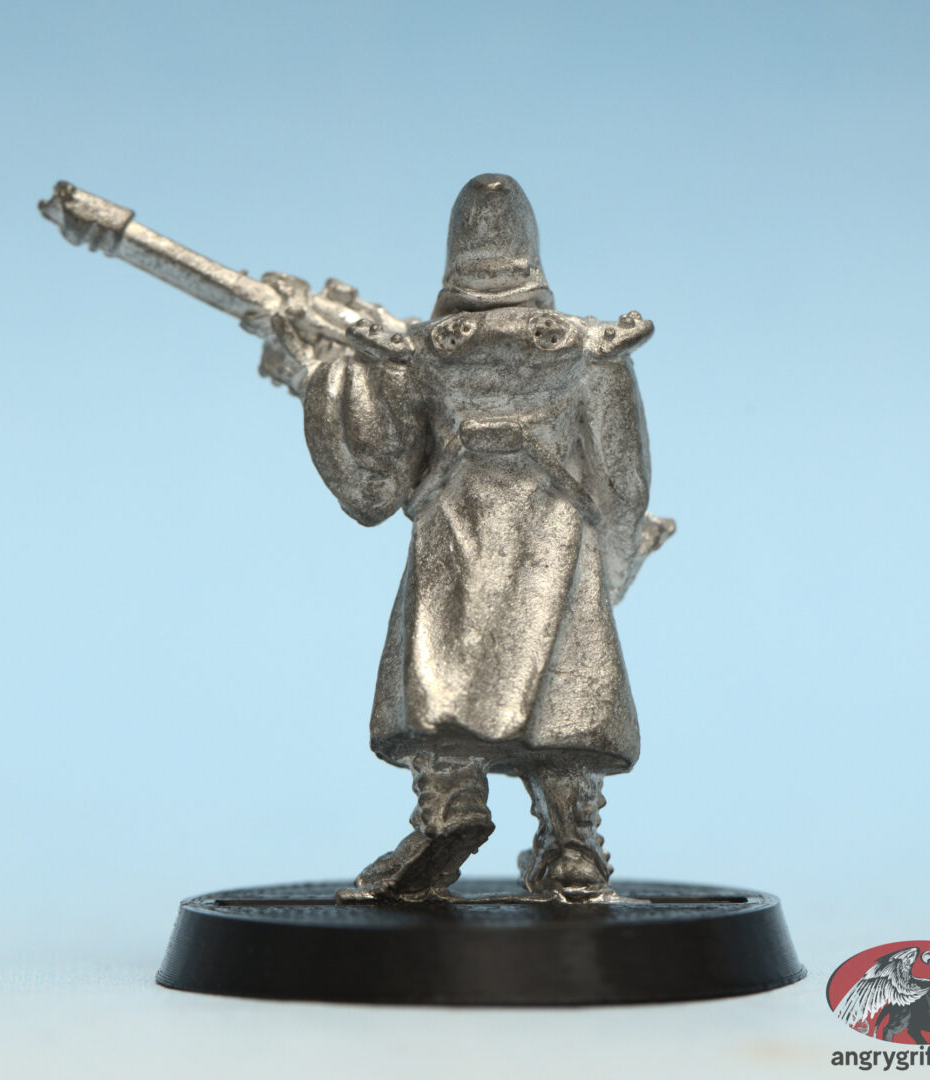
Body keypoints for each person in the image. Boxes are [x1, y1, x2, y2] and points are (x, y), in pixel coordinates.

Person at [274, 174, 667, 900]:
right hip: (557, 544)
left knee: (444, 677)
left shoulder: (417, 353)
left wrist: (324, 373)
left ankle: (451, 809)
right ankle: (572, 847)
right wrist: (615, 552)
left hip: (455, 538)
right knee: (561, 694)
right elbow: (624, 480)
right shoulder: (594, 351)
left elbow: (381, 480)